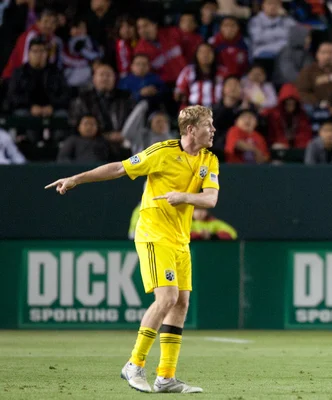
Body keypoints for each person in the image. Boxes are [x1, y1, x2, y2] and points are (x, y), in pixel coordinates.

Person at [45, 105, 220, 394]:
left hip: (180, 238)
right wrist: (76, 178)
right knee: (167, 298)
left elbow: (210, 199)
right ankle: (134, 365)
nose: (213, 130)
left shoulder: (209, 160)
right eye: (209, 125)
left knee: (181, 303)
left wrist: (182, 196)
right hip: (153, 234)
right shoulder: (161, 152)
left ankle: (166, 377)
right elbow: (119, 168)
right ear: (191, 129)